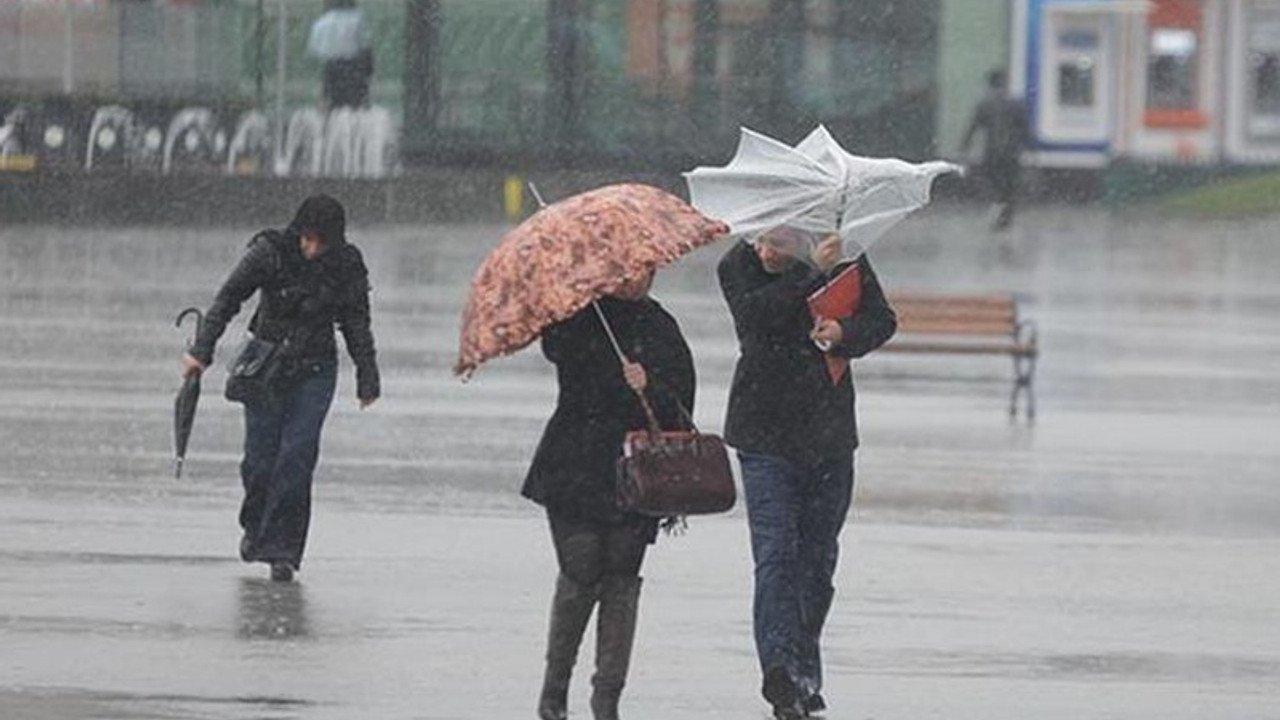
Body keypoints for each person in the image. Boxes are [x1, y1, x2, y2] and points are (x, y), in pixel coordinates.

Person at [718, 229, 896, 719]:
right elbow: (757, 319)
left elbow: (881, 320)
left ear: (799, 233)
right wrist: (812, 273)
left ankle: (803, 673)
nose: (765, 251)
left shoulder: (845, 256)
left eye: (776, 242)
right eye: (761, 241)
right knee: (775, 555)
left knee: (817, 563)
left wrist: (846, 334)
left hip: (829, 435)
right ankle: (778, 670)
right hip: (763, 435)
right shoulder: (737, 265)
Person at [181, 194, 380, 583]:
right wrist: (201, 351)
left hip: (316, 370)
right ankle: (256, 528)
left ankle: (284, 551)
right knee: (259, 461)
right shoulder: (269, 251)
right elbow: (228, 299)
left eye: (320, 242)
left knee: (297, 457)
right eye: (306, 239)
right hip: (264, 369)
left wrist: (367, 375)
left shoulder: (346, 265)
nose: (311, 249)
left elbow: (357, 322)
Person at [523, 273, 696, 720]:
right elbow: (555, 348)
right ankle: (555, 686)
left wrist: (649, 385)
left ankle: (607, 697)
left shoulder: (660, 326)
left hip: (636, 471)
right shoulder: (580, 315)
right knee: (580, 567)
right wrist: (565, 298)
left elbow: (682, 406)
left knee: (621, 575)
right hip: (573, 462)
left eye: (649, 270)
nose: (640, 277)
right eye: (631, 269)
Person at [961, 69, 1030, 231]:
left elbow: (973, 127)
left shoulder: (985, 104)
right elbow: (1025, 129)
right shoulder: (1016, 103)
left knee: (993, 181)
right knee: (1010, 185)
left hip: (992, 152)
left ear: (990, 85)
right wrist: (1026, 147)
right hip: (1011, 153)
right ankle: (1006, 213)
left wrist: (964, 145)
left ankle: (999, 204)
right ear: (1005, 83)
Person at [307, 0, 375, 110]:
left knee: (331, 102)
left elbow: (314, 51)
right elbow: (366, 47)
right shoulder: (358, 19)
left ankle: (326, 104)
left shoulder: (321, 22)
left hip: (330, 69)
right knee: (353, 106)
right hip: (352, 68)